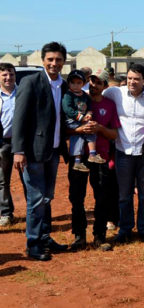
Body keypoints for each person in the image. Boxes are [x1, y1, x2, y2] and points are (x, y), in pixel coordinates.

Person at [12, 42, 70, 261]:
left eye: (58, 60)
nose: (54, 63)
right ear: (43, 60)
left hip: (53, 151)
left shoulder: (63, 86)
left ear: (64, 62)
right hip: (33, 152)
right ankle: (33, 243)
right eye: (50, 59)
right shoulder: (30, 82)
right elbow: (20, 118)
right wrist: (18, 150)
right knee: (36, 199)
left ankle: (45, 238)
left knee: (47, 198)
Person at [67, 69, 120, 251]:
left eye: (98, 82)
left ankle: (99, 236)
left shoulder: (110, 105)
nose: (94, 85)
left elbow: (114, 133)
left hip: (100, 157)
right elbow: (65, 129)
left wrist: (99, 129)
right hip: (78, 156)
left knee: (102, 196)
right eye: (92, 81)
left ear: (105, 86)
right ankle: (79, 236)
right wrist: (79, 131)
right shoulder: (77, 99)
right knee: (76, 196)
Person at [103, 63, 144, 244]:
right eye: (130, 78)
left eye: (137, 79)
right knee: (124, 195)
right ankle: (125, 229)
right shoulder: (115, 93)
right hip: (123, 152)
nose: (133, 82)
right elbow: (96, 98)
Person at [63, 69, 106, 173]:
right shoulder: (68, 95)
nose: (75, 85)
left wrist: (89, 114)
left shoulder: (85, 95)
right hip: (71, 121)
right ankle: (90, 155)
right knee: (86, 131)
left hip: (81, 120)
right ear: (68, 83)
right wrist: (81, 118)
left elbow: (89, 106)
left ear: (83, 83)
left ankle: (83, 159)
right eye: (72, 82)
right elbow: (67, 109)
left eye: (78, 83)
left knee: (82, 135)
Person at [0, 63, 20, 226]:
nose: (8, 78)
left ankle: (33, 212)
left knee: (29, 179)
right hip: (3, 143)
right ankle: (6, 213)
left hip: (23, 143)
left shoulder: (23, 93)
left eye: (11, 74)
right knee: (2, 180)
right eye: (4, 75)